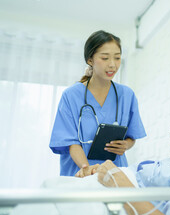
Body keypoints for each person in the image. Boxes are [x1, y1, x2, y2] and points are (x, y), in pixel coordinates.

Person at [49, 30, 146, 177]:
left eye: (117, 58)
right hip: (79, 174)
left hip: (114, 175)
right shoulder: (71, 96)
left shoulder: (127, 95)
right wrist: (86, 168)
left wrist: (125, 145)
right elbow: (71, 142)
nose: (113, 65)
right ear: (90, 60)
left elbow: (132, 136)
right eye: (105, 58)